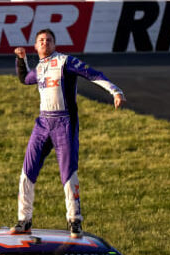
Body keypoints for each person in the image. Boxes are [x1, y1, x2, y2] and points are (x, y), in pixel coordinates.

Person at [11, 29, 126, 238]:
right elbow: (25, 79)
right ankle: (24, 220)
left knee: (68, 173)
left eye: (49, 40)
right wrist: (21, 59)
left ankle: (74, 221)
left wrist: (115, 91)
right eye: (41, 41)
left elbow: (93, 74)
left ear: (54, 44)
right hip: (43, 123)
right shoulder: (39, 67)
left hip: (64, 123)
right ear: (36, 46)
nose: (45, 43)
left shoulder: (65, 61)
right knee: (27, 170)